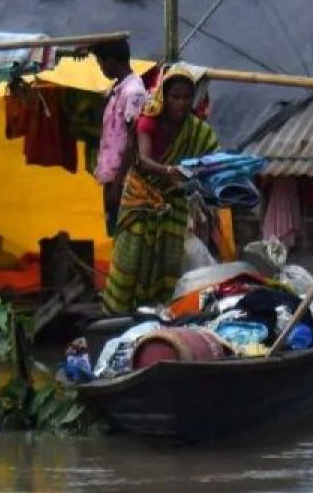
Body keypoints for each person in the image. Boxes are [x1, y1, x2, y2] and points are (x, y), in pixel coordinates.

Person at [103, 68, 220, 314]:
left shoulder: (197, 130)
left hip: (172, 203)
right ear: (164, 97)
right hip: (140, 198)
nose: (181, 103)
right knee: (130, 258)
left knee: (167, 261)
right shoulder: (149, 119)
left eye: (187, 97)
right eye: (175, 97)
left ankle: (158, 314)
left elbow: (212, 160)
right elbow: (143, 159)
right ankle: (117, 314)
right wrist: (171, 171)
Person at [91, 38, 148, 236]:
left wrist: (117, 185)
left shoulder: (133, 93)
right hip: (113, 176)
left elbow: (134, 141)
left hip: (124, 179)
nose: (100, 68)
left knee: (123, 233)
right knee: (114, 231)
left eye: (100, 63)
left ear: (112, 61)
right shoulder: (118, 89)